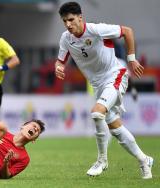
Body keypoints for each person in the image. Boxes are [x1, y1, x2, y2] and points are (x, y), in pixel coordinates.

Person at [55, 2, 153, 179]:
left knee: (96, 113)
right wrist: (58, 67)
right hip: (98, 85)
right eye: (64, 21)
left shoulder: (96, 29)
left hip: (115, 75)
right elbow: (60, 60)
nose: (68, 24)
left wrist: (131, 58)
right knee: (114, 126)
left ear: (80, 18)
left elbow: (127, 31)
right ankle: (144, 160)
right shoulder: (65, 38)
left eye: (71, 20)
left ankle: (102, 160)